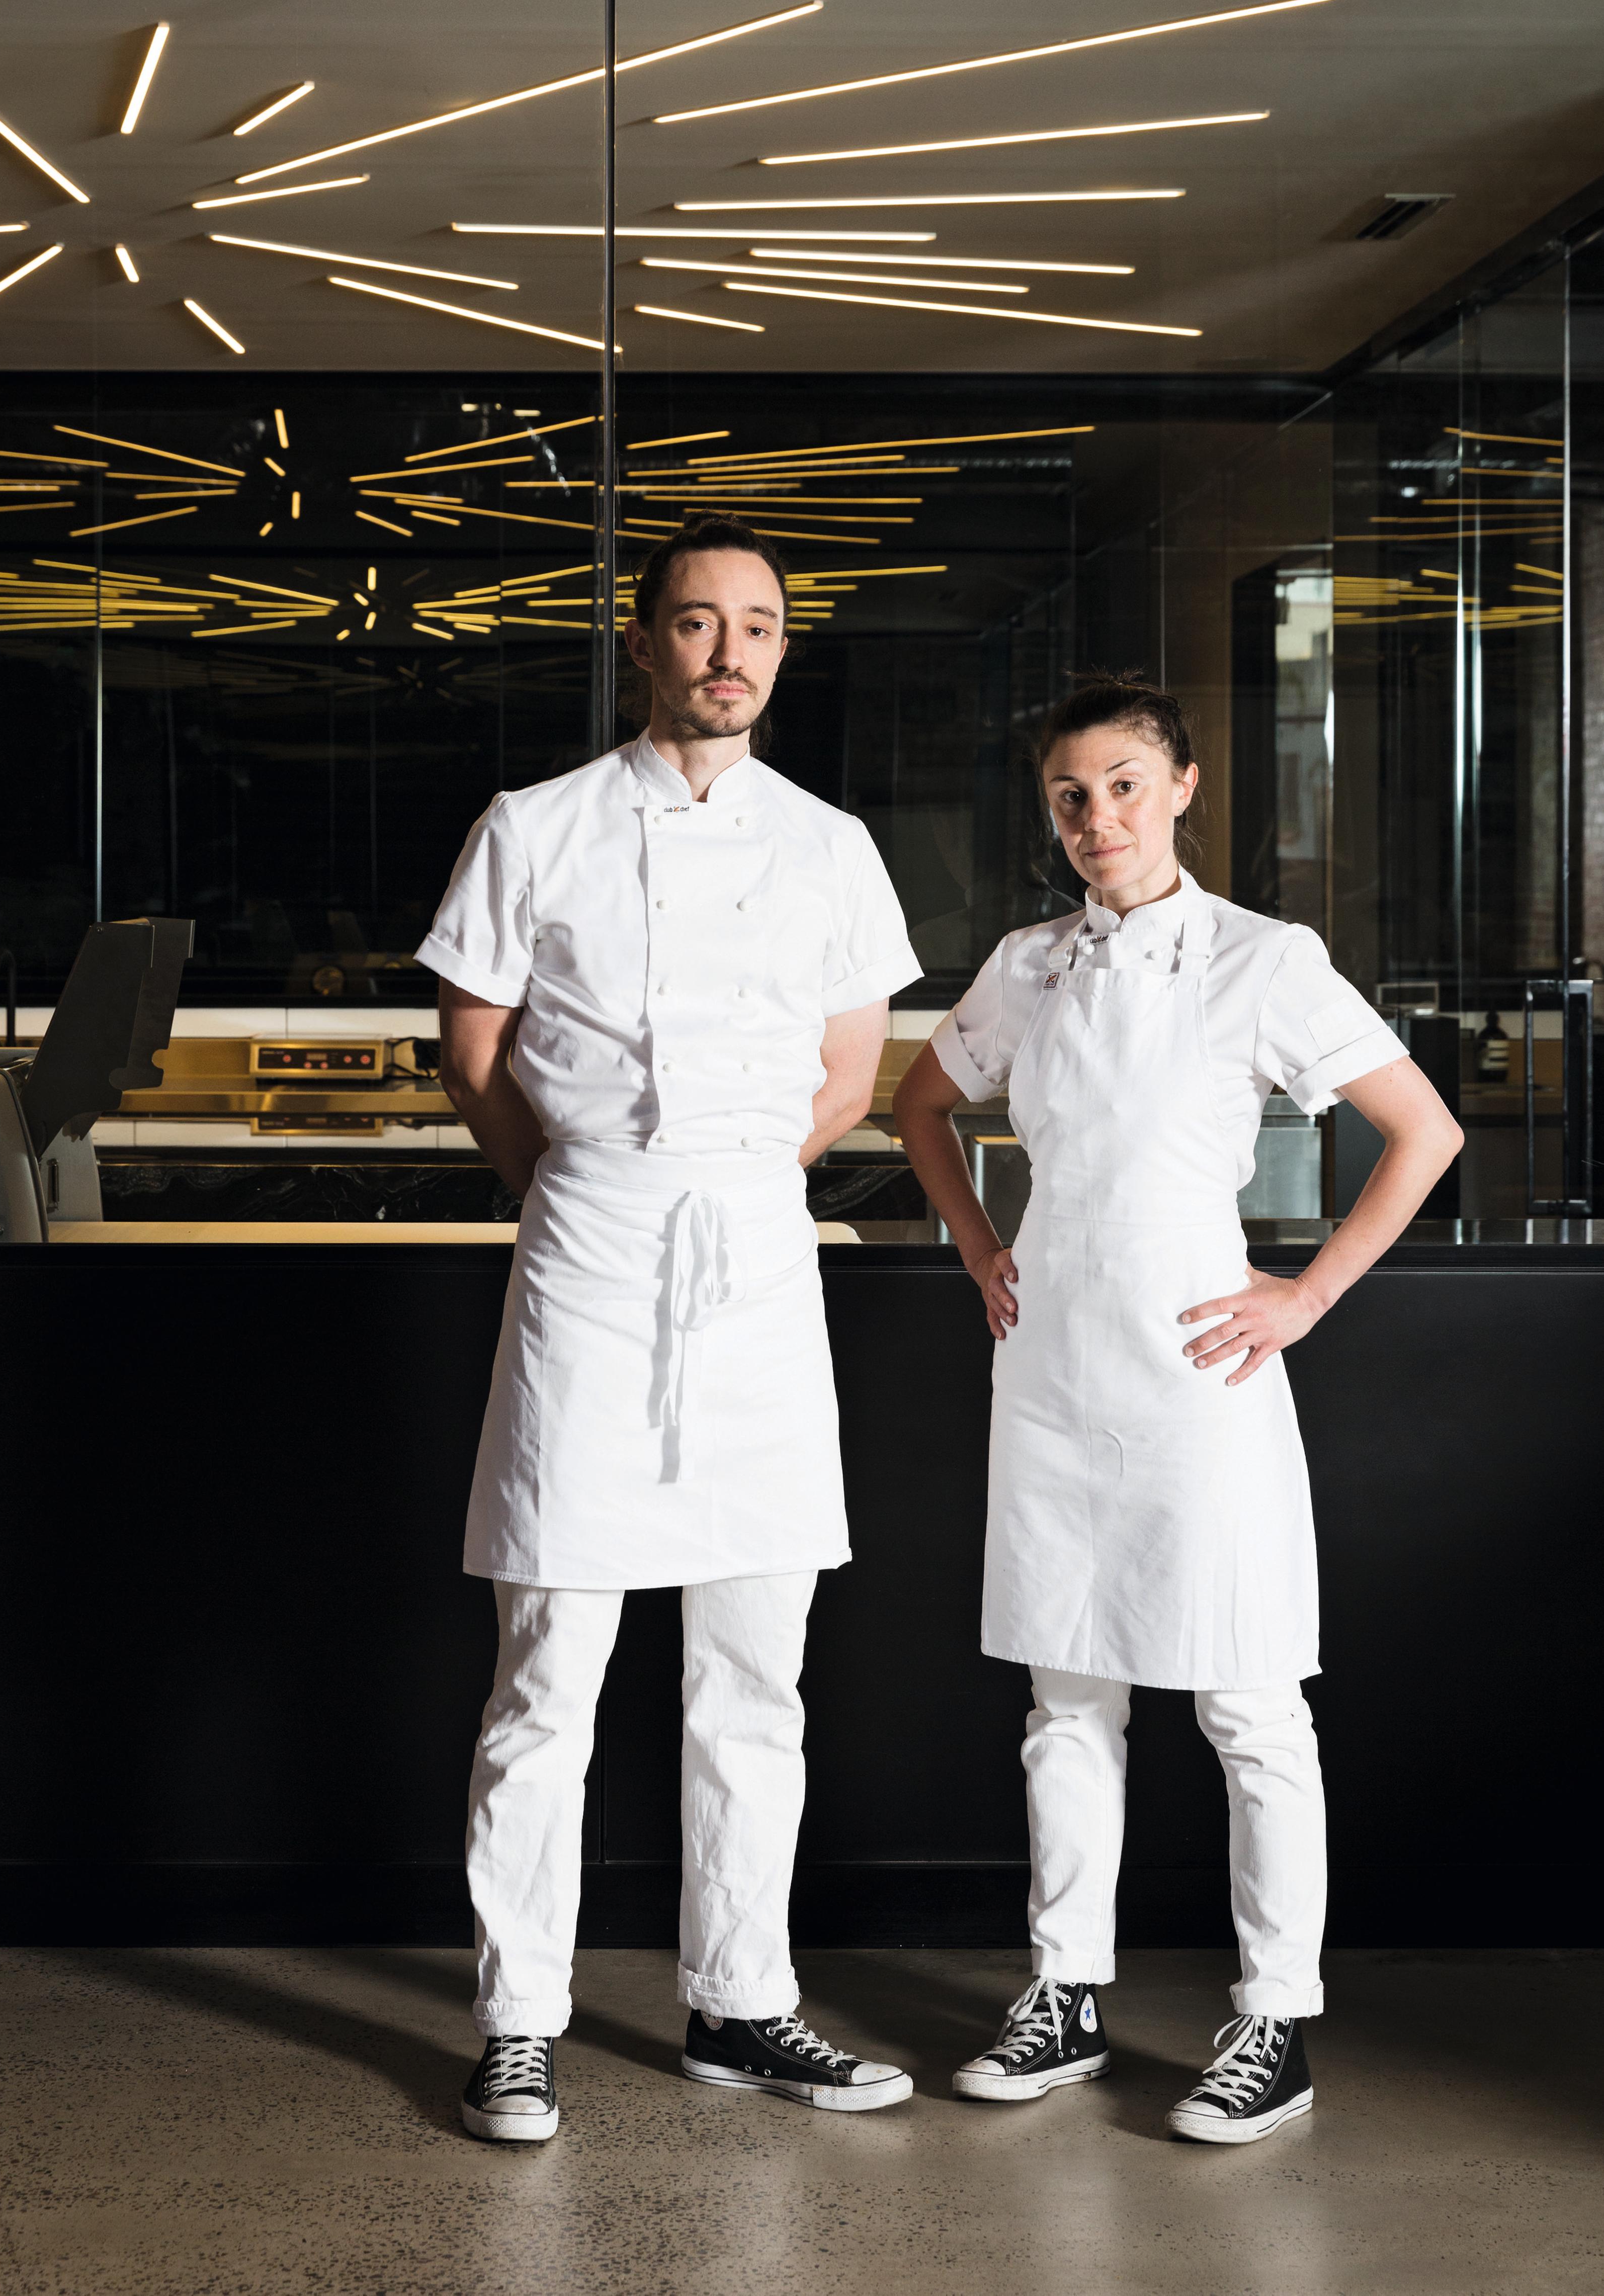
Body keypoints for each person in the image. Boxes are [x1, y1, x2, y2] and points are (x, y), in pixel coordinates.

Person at [893, 672, 1462, 2145]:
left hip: (1201, 1370)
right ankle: (1064, 1991)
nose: (1098, 819)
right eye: (1070, 796)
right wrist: (976, 1242)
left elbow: (1422, 1129)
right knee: (1063, 1700)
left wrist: (1306, 1295)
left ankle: (1274, 2018)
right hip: (1053, 1367)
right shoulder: (1026, 964)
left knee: (1246, 1702)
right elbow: (918, 1107)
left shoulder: (1261, 960)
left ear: (1185, 786)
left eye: (1125, 786)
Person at [418, 515, 922, 2143]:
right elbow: (474, 1049)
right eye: (696, 626)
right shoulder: (540, 824)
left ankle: (741, 2002)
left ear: (784, 650)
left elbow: (850, 1076)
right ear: (640, 645)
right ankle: (517, 2021)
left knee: (754, 1673)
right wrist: (587, 1188)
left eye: (758, 627)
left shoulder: (830, 845)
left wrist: (722, 1182)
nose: (728, 653)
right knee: (551, 1663)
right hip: (590, 1239)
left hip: (759, 1259)